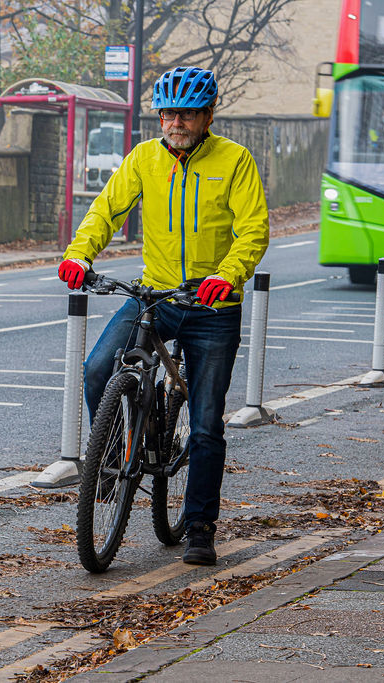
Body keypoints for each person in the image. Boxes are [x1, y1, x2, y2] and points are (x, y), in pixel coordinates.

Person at [57, 66, 269, 566]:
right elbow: (106, 210)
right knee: (96, 368)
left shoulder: (234, 161)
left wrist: (229, 275)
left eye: (187, 113)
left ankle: (199, 527)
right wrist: (79, 254)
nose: (176, 122)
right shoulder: (144, 159)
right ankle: (111, 464)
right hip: (157, 295)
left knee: (205, 425)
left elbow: (253, 230)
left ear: (206, 116)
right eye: (169, 113)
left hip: (213, 305)